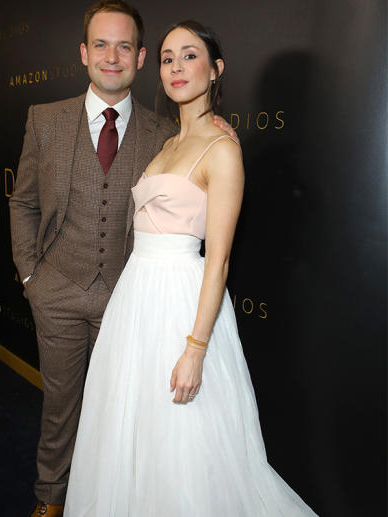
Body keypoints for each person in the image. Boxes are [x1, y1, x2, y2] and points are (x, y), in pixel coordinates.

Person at [63, 21, 317, 516]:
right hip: (137, 299)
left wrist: (195, 348)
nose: (177, 67)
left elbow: (219, 260)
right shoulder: (166, 142)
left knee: (183, 444)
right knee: (134, 434)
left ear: (215, 68)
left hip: (182, 304)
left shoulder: (221, 151)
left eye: (190, 55)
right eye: (167, 58)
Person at [9, 2, 191, 515]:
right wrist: (31, 276)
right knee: (60, 409)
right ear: (84, 53)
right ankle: (50, 500)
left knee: (122, 414)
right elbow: (23, 201)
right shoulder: (45, 120)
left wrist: (217, 130)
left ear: (141, 57)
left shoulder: (165, 133)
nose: (113, 56)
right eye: (102, 44)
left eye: (125, 46)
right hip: (57, 292)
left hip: (128, 299)